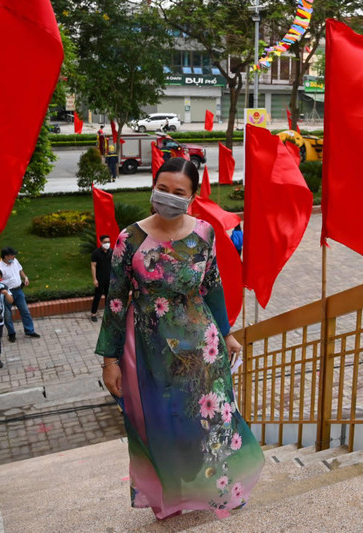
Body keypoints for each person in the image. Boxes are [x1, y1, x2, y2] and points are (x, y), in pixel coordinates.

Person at [96, 158, 264, 520]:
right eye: (163, 189)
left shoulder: (204, 233)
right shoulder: (130, 239)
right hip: (149, 347)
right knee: (161, 423)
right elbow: (115, 300)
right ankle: (170, 498)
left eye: (178, 192)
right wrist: (110, 361)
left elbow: (212, 286)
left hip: (202, 344)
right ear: (153, 187)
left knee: (213, 419)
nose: (168, 197)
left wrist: (227, 333)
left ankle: (222, 491)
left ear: (191, 196)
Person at [0, 247, 41, 342]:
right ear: (6, 256)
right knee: (7, 315)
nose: (14, 256)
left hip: (18, 290)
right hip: (7, 293)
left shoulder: (15, 261)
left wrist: (25, 277)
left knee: (25, 311)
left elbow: (20, 270)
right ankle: (11, 333)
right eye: (12, 255)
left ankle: (29, 330)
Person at [90, 234, 113, 322]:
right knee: (97, 296)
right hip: (100, 278)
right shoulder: (96, 253)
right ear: (101, 242)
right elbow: (93, 266)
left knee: (108, 296)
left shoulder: (111, 252)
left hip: (109, 278)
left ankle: (108, 314)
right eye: (105, 242)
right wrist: (94, 279)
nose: (107, 244)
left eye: (108, 242)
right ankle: (93, 313)